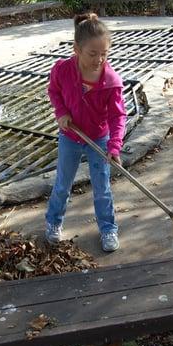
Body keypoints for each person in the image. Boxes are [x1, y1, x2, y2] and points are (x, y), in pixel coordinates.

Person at [45, 13, 126, 252]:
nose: (99, 60)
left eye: (104, 54)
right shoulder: (62, 70)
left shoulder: (111, 81)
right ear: (76, 50)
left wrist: (114, 146)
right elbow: (54, 91)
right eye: (93, 54)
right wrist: (61, 112)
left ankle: (108, 229)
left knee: (102, 187)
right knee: (63, 183)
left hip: (98, 139)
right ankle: (53, 222)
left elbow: (117, 116)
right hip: (70, 136)